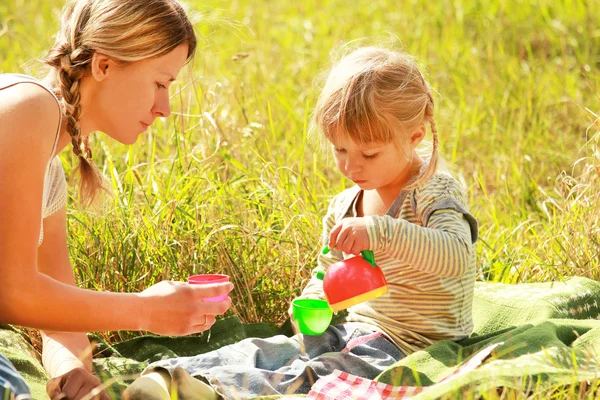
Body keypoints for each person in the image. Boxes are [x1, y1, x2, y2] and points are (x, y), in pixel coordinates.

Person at [123, 45, 479, 400]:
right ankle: (169, 377)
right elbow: (328, 270)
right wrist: (314, 300)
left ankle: (214, 392)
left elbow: (457, 254)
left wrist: (380, 231)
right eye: (340, 150)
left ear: (414, 136)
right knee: (276, 348)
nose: (351, 167)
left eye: (369, 154)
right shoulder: (345, 206)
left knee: (322, 373)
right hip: (357, 330)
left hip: (411, 346)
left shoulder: (432, 191)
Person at [0, 0, 234, 399]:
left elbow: (54, 315)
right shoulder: (28, 107)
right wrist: (146, 310)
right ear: (104, 66)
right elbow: (13, 292)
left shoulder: (49, 172)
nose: (165, 109)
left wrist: (74, 371)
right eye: (160, 83)